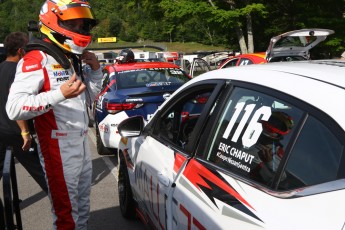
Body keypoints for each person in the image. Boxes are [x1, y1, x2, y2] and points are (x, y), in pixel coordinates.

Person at [6, 1, 102, 229]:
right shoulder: (37, 58)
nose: (81, 30)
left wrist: (96, 72)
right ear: (53, 20)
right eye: (73, 23)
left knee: (82, 207)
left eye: (84, 24)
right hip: (57, 146)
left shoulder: (68, 56)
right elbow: (14, 107)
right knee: (66, 214)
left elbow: (86, 99)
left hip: (79, 142)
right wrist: (58, 94)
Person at [0, 32, 47, 192]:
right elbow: (17, 102)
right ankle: (64, 208)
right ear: (21, 51)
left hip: (1, 131)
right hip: (16, 132)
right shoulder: (18, 72)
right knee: (43, 174)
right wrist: (25, 132)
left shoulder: (1, 68)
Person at [249, 111, 294, 184]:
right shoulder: (248, 133)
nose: (273, 124)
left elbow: (282, 178)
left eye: (278, 124)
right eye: (272, 120)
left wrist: (269, 162)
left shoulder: (276, 152)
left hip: (249, 181)